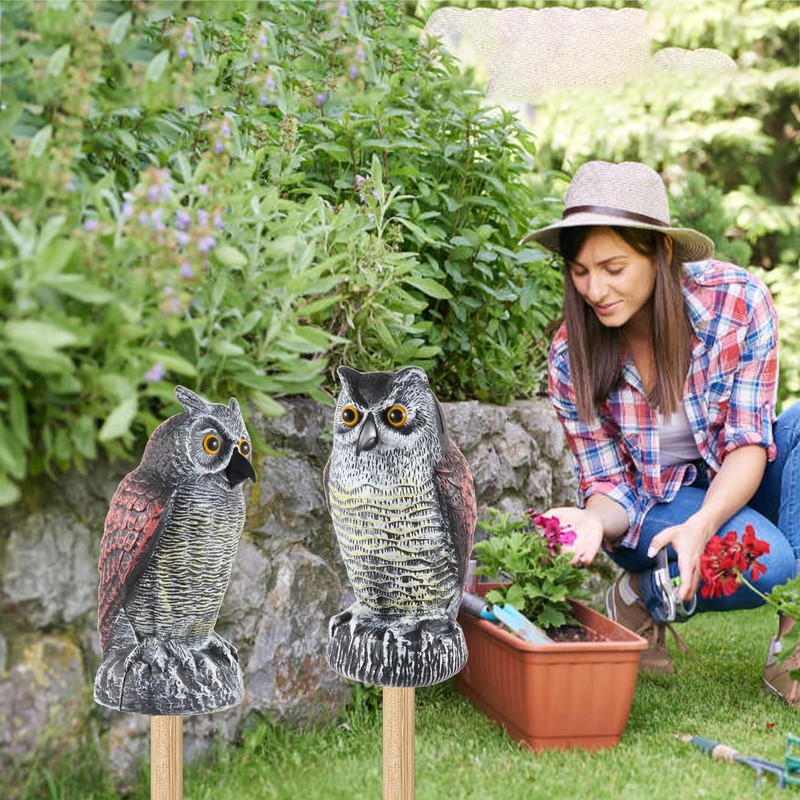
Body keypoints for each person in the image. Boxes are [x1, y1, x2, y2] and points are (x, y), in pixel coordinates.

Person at [521, 160, 800, 703]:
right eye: (579, 271)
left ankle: (793, 648)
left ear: (661, 254)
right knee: (772, 564)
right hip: (649, 510)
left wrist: (703, 524)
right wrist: (589, 521)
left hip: (733, 481)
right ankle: (640, 591)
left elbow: (748, 442)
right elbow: (609, 487)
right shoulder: (569, 356)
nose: (594, 289)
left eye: (613, 267)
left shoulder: (737, 303)